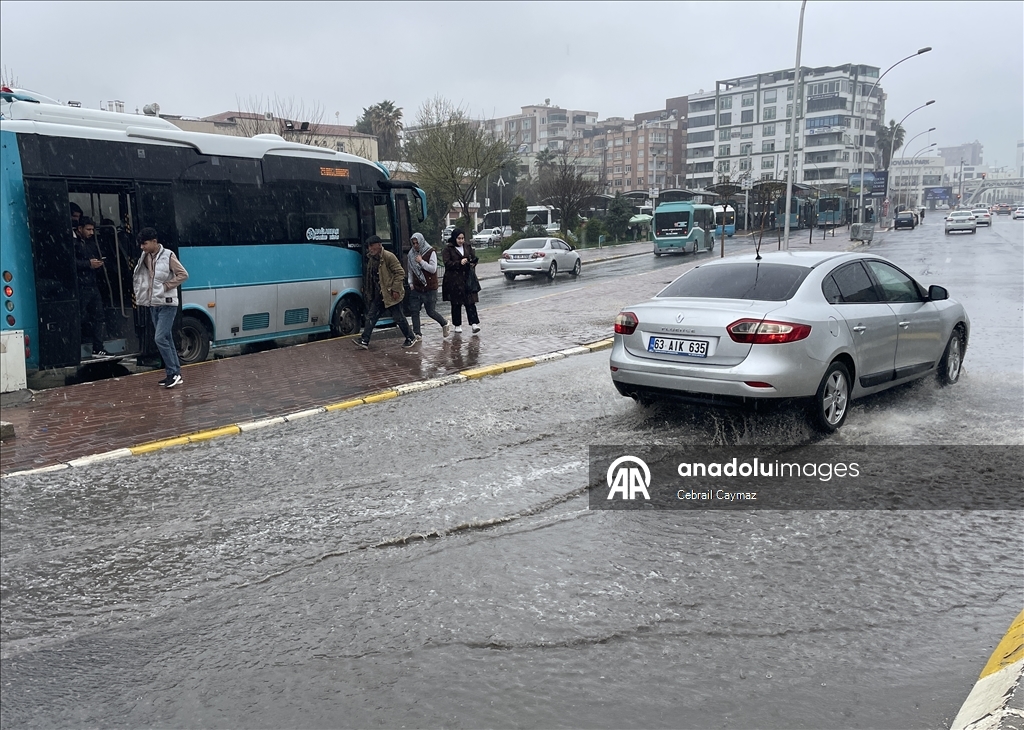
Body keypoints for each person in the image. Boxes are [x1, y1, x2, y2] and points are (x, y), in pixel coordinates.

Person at [133, 227, 189, 388]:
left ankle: (174, 372)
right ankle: (173, 373)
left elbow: (183, 274)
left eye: (144, 243)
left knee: (160, 337)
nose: (142, 247)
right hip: (154, 304)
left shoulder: (168, 255)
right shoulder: (146, 256)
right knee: (166, 338)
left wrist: (166, 286)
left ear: (154, 241)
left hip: (168, 303)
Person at [354, 235, 415, 350]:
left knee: (398, 317)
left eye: (372, 246)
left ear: (379, 245)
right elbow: (370, 276)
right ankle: (365, 339)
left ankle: (410, 337)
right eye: (368, 247)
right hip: (379, 294)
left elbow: (400, 273)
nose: (370, 249)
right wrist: (367, 289)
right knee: (371, 316)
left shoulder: (388, 257)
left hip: (390, 293)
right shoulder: (372, 259)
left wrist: (395, 289)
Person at [74, 216, 109, 357]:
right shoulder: (73, 242)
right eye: (88, 229)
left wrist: (97, 264)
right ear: (79, 228)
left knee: (99, 317)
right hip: (80, 285)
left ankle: (98, 347)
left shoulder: (90, 243)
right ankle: (77, 345)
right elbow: (71, 262)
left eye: (92, 230)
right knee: (80, 316)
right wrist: (88, 264)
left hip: (92, 284)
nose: (91, 233)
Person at [406, 232, 450, 340]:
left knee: (430, 311)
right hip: (417, 287)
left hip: (429, 287)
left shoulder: (430, 252)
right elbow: (410, 270)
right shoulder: (411, 254)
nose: (415, 245)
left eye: (417, 243)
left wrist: (421, 262)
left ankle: (444, 323)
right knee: (414, 310)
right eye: (413, 243)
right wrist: (410, 283)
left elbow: (433, 269)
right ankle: (417, 333)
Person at [441, 228, 480, 334]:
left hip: (467, 278)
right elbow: (447, 263)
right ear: (454, 238)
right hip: (454, 280)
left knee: (470, 302)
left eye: (462, 238)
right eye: (459, 238)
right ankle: (457, 325)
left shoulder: (467, 246)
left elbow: (473, 257)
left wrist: (472, 262)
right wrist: (459, 263)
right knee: (456, 303)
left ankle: (474, 324)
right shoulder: (448, 249)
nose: (461, 241)